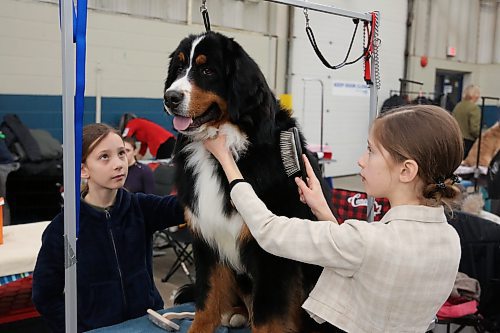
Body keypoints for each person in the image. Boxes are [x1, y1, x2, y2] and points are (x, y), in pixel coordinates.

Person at [203, 105, 463, 333]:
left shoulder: (367, 240)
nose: (361, 161)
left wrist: (227, 161)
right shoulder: (450, 239)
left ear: (406, 170)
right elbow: (361, 259)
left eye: (371, 151)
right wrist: (322, 210)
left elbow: (269, 231)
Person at [32, 123, 184, 333]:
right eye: (105, 157)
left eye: (121, 153)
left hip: (146, 324)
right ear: (83, 169)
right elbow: (45, 294)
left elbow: (185, 206)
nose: (119, 164)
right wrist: (75, 327)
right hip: (98, 329)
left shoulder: (140, 208)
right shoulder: (64, 229)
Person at [452, 84, 481, 158]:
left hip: (455, 138)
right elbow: (474, 129)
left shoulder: (458, 105)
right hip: (468, 142)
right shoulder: (474, 108)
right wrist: (481, 137)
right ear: (475, 95)